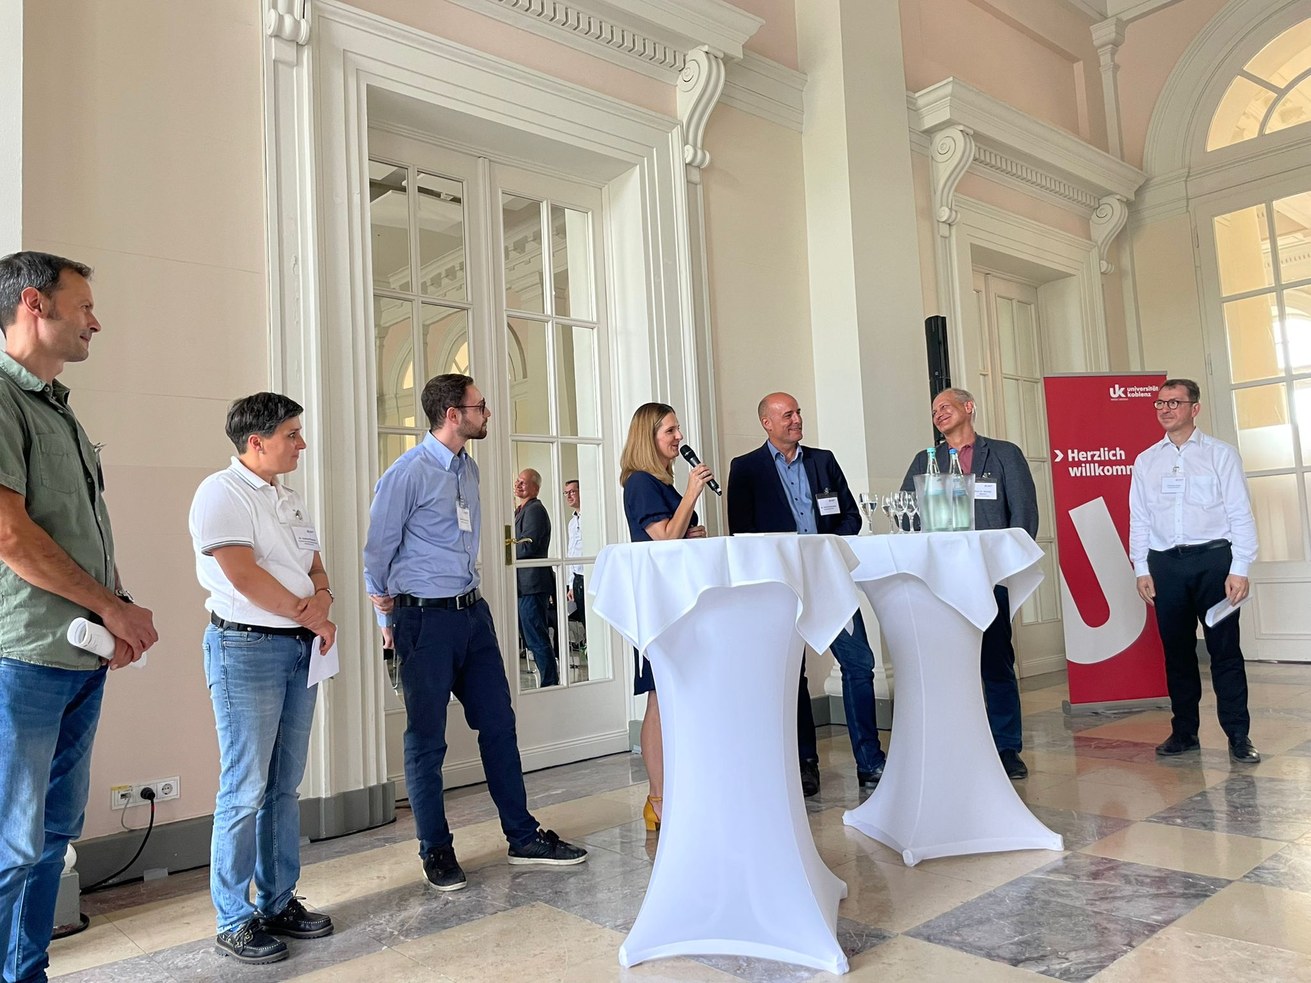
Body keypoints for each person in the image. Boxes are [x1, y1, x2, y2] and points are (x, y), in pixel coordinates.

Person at [0, 251, 159, 982]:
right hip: (23, 659)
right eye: (84, 304)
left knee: (53, 833)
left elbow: (77, 524)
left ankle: (25, 970)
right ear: (35, 303)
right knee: (11, 840)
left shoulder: (56, 405)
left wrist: (118, 607)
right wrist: (110, 608)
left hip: (78, 655)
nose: (96, 319)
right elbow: (10, 535)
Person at [363, 374, 586, 892]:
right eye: (479, 406)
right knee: (427, 741)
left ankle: (523, 835)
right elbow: (376, 552)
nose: (487, 412)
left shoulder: (469, 469)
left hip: (472, 614)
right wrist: (386, 620)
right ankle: (436, 850)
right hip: (423, 621)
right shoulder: (407, 474)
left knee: (500, 724)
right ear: (451, 414)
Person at [189, 393, 337, 965]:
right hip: (245, 648)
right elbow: (243, 576)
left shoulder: (289, 499)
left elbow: (314, 566)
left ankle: (277, 901)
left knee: (284, 784)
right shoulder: (219, 494)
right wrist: (312, 613)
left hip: (301, 649)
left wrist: (321, 601)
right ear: (257, 441)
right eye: (292, 435)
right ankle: (233, 916)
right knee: (244, 786)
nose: (301, 444)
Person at [727, 392, 887, 796]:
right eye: (787, 414)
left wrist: (826, 545)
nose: (797, 419)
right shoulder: (745, 469)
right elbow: (742, 535)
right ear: (766, 422)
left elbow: (850, 515)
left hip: (828, 579)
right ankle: (804, 765)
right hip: (779, 586)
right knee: (791, 674)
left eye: (797, 412)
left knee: (859, 664)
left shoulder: (823, 461)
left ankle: (870, 763)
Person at [900, 387, 1037, 780]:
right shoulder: (926, 460)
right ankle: (953, 742)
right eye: (933, 410)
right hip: (940, 578)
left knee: (996, 660)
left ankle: (1007, 746)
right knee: (947, 663)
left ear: (968, 408)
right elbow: (909, 511)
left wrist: (1010, 564)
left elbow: (1024, 515)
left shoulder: (1003, 454)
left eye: (945, 406)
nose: (938, 414)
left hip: (988, 575)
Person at [1129, 379, 1260, 763]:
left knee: (1225, 653)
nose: (1165, 409)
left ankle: (1238, 736)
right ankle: (1184, 732)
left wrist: (1240, 567)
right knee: (1178, 653)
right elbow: (1139, 518)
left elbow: (1240, 513)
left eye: (1174, 402)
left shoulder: (1221, 455)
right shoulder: (1146, 460)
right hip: (1165, 565)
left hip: (1214, 563)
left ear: (1194, 408)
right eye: (1159, 403)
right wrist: (1141, 567)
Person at [619, 402, 715, 831]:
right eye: (670, 431)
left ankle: (675, 790)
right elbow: (661, 540)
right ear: (649, 437)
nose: (679, 437)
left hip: (679, 598)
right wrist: (693, 494)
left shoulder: (660, 483)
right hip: (659, 604)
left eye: (678, 429)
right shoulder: (640, 483)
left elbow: (671, 535)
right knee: (658, 697)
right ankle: (657, 798)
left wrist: (689, 533)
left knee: (675, 693)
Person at [513, 468, 558, 687]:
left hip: (533, 584)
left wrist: (505, 550)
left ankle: (550, 683)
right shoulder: (519, 510)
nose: (518, 484)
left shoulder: (535, 510)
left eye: (524, 482)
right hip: (522, 585)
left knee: (537, 638)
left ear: (536, 488)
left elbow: (527, 546)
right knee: (531, 638)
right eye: (518, 481)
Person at [564, 479, 585, 626]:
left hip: (589, 574)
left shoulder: (590, 518)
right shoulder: (572, 523)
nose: (569, 496)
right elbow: (571, 552)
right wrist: (570, 585)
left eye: (572, 492)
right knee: (583, 620)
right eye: (566, 493)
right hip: (577, 579)